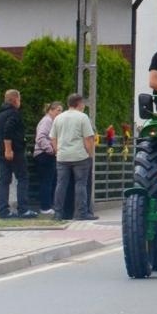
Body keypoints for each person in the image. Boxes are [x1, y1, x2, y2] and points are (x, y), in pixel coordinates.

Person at [52, 92, 97, 222]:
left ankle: (58, 213)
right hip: (80, 156)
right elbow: (88, 138)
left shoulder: (59, 118)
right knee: (81, 185)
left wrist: (57, 151)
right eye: (83, 103)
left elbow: (53, 137)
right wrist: (90, 154)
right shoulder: (83, 117)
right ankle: (81, 213)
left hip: (62, 156)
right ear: (79, 104)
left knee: (61, 185)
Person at [0, 89, 35, 218]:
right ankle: (23, 209)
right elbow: (7, 131)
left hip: (1, 151)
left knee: (4, 180)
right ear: (15, 99)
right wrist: (9, 149)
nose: (20, 102)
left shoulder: (0, 114)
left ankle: (3, 210)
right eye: (19, 99)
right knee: (22, 178)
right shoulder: (13, 114)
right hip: (14, 151)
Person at [32, 100, 61, 215]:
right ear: (51, 110)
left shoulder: (51, 121)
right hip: (44, 154)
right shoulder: (47, 121)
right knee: (47, 181)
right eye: (58, 110)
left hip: (45, 154)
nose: (60, 113)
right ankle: (45, 207)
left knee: (50, 180)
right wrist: (51, 150)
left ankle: (48, 205)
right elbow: (40, 137)